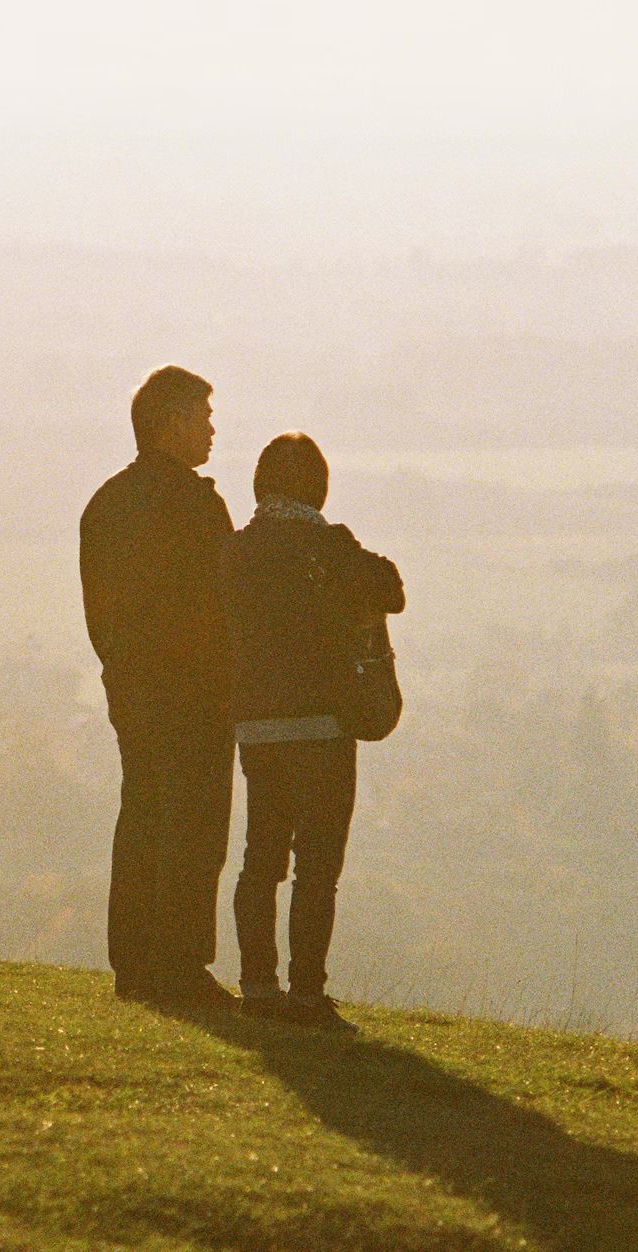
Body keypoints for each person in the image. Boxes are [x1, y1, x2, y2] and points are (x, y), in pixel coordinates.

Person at [222, 432, 403, 1032]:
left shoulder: (236, 551)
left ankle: (256, 983)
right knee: (317, 865)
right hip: (325, 727)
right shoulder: (330, 546)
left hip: (256, 727)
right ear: (319, 485)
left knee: (260, 858)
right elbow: (391, 590)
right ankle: (307, 992)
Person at [79, 365, 237, 1009]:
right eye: (202, 417)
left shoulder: (107, 504)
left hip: (136, 693)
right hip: (198, 695)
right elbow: (227, 602)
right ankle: (179, 959)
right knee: (198, 823)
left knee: (143, 814)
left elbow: (103, 616)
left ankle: (135, 959)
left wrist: (125, 673)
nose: (211, 430)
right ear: (172, 426)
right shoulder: (198, 506)